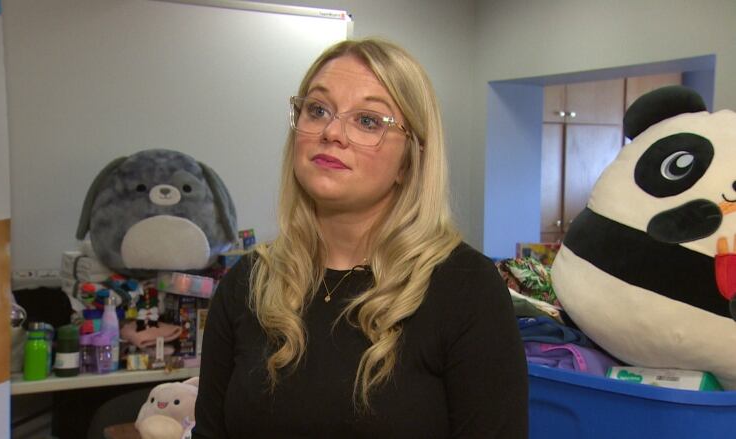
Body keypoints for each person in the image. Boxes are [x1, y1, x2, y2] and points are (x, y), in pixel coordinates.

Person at [193, 37, 528, 438]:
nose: (332, 132)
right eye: (318, 110)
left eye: (368, 120)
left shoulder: (465, 287)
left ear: (410, 160)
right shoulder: (248, 282)